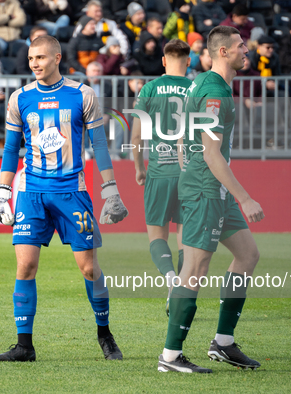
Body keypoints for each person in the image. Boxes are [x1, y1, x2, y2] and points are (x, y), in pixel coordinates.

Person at [0, 35, 128, 363]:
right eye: (30, 58)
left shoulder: (82, 95)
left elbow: (99, 145)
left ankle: (104, 334)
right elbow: (12, 149)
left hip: (72, 193)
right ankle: (24, 346)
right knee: (25, 266)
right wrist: (2, 193)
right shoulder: (19, 98)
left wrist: (110, 190)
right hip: (32, 193)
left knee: (89, 269)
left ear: (57, 57)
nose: (34, 64)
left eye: (40, 57)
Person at [159, 25, 264, 373]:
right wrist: (244, 198)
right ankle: (170, 356)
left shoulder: (202, 84)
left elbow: (179, 139)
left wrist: (186, 171)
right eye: (240, 46)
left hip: (209, 188)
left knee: (247, 255)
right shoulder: (215, 92)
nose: (246, 51)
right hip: (208, 190)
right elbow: (211, 153)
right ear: (223, 52)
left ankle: (223, 343)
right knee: (195, 269)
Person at [131, 39, 193, 318]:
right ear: (189, 61)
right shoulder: (196, 87)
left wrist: (138, 168)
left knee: (157, 234)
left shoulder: (150, 88)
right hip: (190, 173)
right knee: (185, 237)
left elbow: (135, 136)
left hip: (158, 170)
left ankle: (170, 279)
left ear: (164, 61)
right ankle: (181, 288)